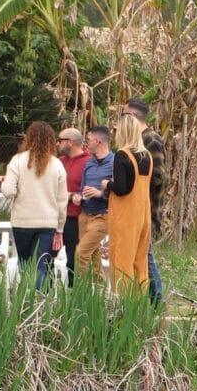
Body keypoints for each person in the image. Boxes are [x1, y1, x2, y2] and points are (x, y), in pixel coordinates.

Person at [2, 121, 67, 289]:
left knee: (24, 264)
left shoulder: (17, 161)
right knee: (41, 266)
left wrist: (4, 182)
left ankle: (24, 298)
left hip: (22, 222)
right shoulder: (57, 164)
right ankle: (39, 300)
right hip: (47, 223)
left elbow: (8, 191)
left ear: (28, 138)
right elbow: (62, 201)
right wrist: (60, 228)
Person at [122, 97, 165, 306]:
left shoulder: (150, 139)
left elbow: (158, 176)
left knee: (144, 254)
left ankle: (157, 301)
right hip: (135, 208)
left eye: (123, 115)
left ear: (132, 116)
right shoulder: (134, 140)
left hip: (147, 207)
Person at [104, 114, 152, 293]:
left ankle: (122, 303)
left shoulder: (122, 155)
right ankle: (140, 303)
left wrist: (107, 184)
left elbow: (122, 188)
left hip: (126, 217)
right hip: (144, 215)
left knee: (122, 261)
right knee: (140, 262)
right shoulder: (147, 156)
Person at [74, 125, 113, 282]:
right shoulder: (89, 163)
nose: (86, 143)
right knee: (94, 255)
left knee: (81, 253)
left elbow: (120, 192)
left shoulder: (115, 163)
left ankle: (82, 290)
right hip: (85, 214)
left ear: (97, 141)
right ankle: (99, 287)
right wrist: (78, 196)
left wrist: (100, 194)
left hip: (102, 215)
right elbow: (82, 188)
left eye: (88, 139)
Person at [56, 126, 90, 286]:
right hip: (55, 217)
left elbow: (90, 190)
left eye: (60, 140)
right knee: (46, 255)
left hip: (75, 219)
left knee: (73, 258)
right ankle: (45, 292)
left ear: (70, 142)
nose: (57, 143)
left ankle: (73, 291)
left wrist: (73, 196)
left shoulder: (89, 163)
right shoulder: (59, 162)